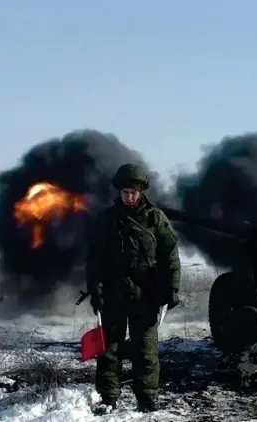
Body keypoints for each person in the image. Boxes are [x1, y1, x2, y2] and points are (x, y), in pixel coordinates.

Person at [85, 163, 181, 414]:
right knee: (109, 350)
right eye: (125, 192)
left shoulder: (155, 218)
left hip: (147, 295)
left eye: (133, 192)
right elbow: (94, 258)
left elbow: (170, 255)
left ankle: (147, 399)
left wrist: (172, 287)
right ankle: (108, 397)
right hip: (114, 294)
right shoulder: (106, 220)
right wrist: (95, 289)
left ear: (141, 192)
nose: (129, 196)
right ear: (120, 191)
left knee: (146, 350)